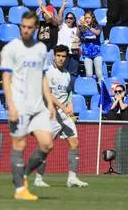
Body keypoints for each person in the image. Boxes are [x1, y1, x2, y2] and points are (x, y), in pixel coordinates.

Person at [1, 11, 55, 201]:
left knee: (47, 144)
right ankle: (19, 190)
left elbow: (43, 77)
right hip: (20, 104)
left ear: (36, 28)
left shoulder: (41, 48)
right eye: (23, 26)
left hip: (39, 105)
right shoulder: (11, 48)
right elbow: (6, 79)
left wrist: (50, 102)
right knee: (20, 145)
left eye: (29, 27)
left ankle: (22, 174)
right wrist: (11, 106)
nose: (25, 30)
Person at [34, 45, 89, 188]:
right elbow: (49, 95)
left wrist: (70, 105)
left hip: (64, 116)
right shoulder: (49, 73)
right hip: (51, 114)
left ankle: (72, 178)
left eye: (63, 56)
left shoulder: (66, 74)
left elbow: (68, 92)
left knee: (74, 143)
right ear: (54, 56)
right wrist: (63, 107)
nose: (61, 58)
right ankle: (38, 178)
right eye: (58, 56)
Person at [57, 0, 80, 90]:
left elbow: (78, 35)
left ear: (74, 19)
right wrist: (63, 6)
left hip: (73, 53)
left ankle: (70, 91)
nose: (68, 19)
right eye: (67, 18)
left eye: (71, 18)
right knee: (61, 72)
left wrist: (79, 25)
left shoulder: (75, 29)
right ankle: (60, 90)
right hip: (63, 53)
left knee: (73, 73)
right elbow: (59, 17)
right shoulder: (62, 26)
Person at [79, 10, 103, 84]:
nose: (87, 19)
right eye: (85, 18)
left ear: (92, 18)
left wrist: (88, 26)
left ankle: (102, 90)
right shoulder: (83, 28)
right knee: (89, 74)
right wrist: (79, 25)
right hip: (86, 54)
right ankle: (91, 89)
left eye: (89, 18)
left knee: (99, 73)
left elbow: (97, 33)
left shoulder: (98, 26)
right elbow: (78, 35)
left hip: (97, 53)